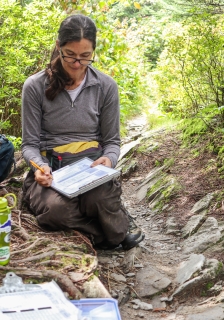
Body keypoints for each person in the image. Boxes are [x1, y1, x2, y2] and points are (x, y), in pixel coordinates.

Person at [21, 14, 144, 250]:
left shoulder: (106, 86)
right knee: (56, 210)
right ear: (58, 47)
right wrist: (39, 167)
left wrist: (108, 160)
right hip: (53, 170)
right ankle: (106, 232)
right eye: (70, 55)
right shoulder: (35, 86)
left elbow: (111, 141)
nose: (77, 64)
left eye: (85, 57)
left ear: (93, 51)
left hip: (90, 170)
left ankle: (104, 225)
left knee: (97, 198)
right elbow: (29, 145)